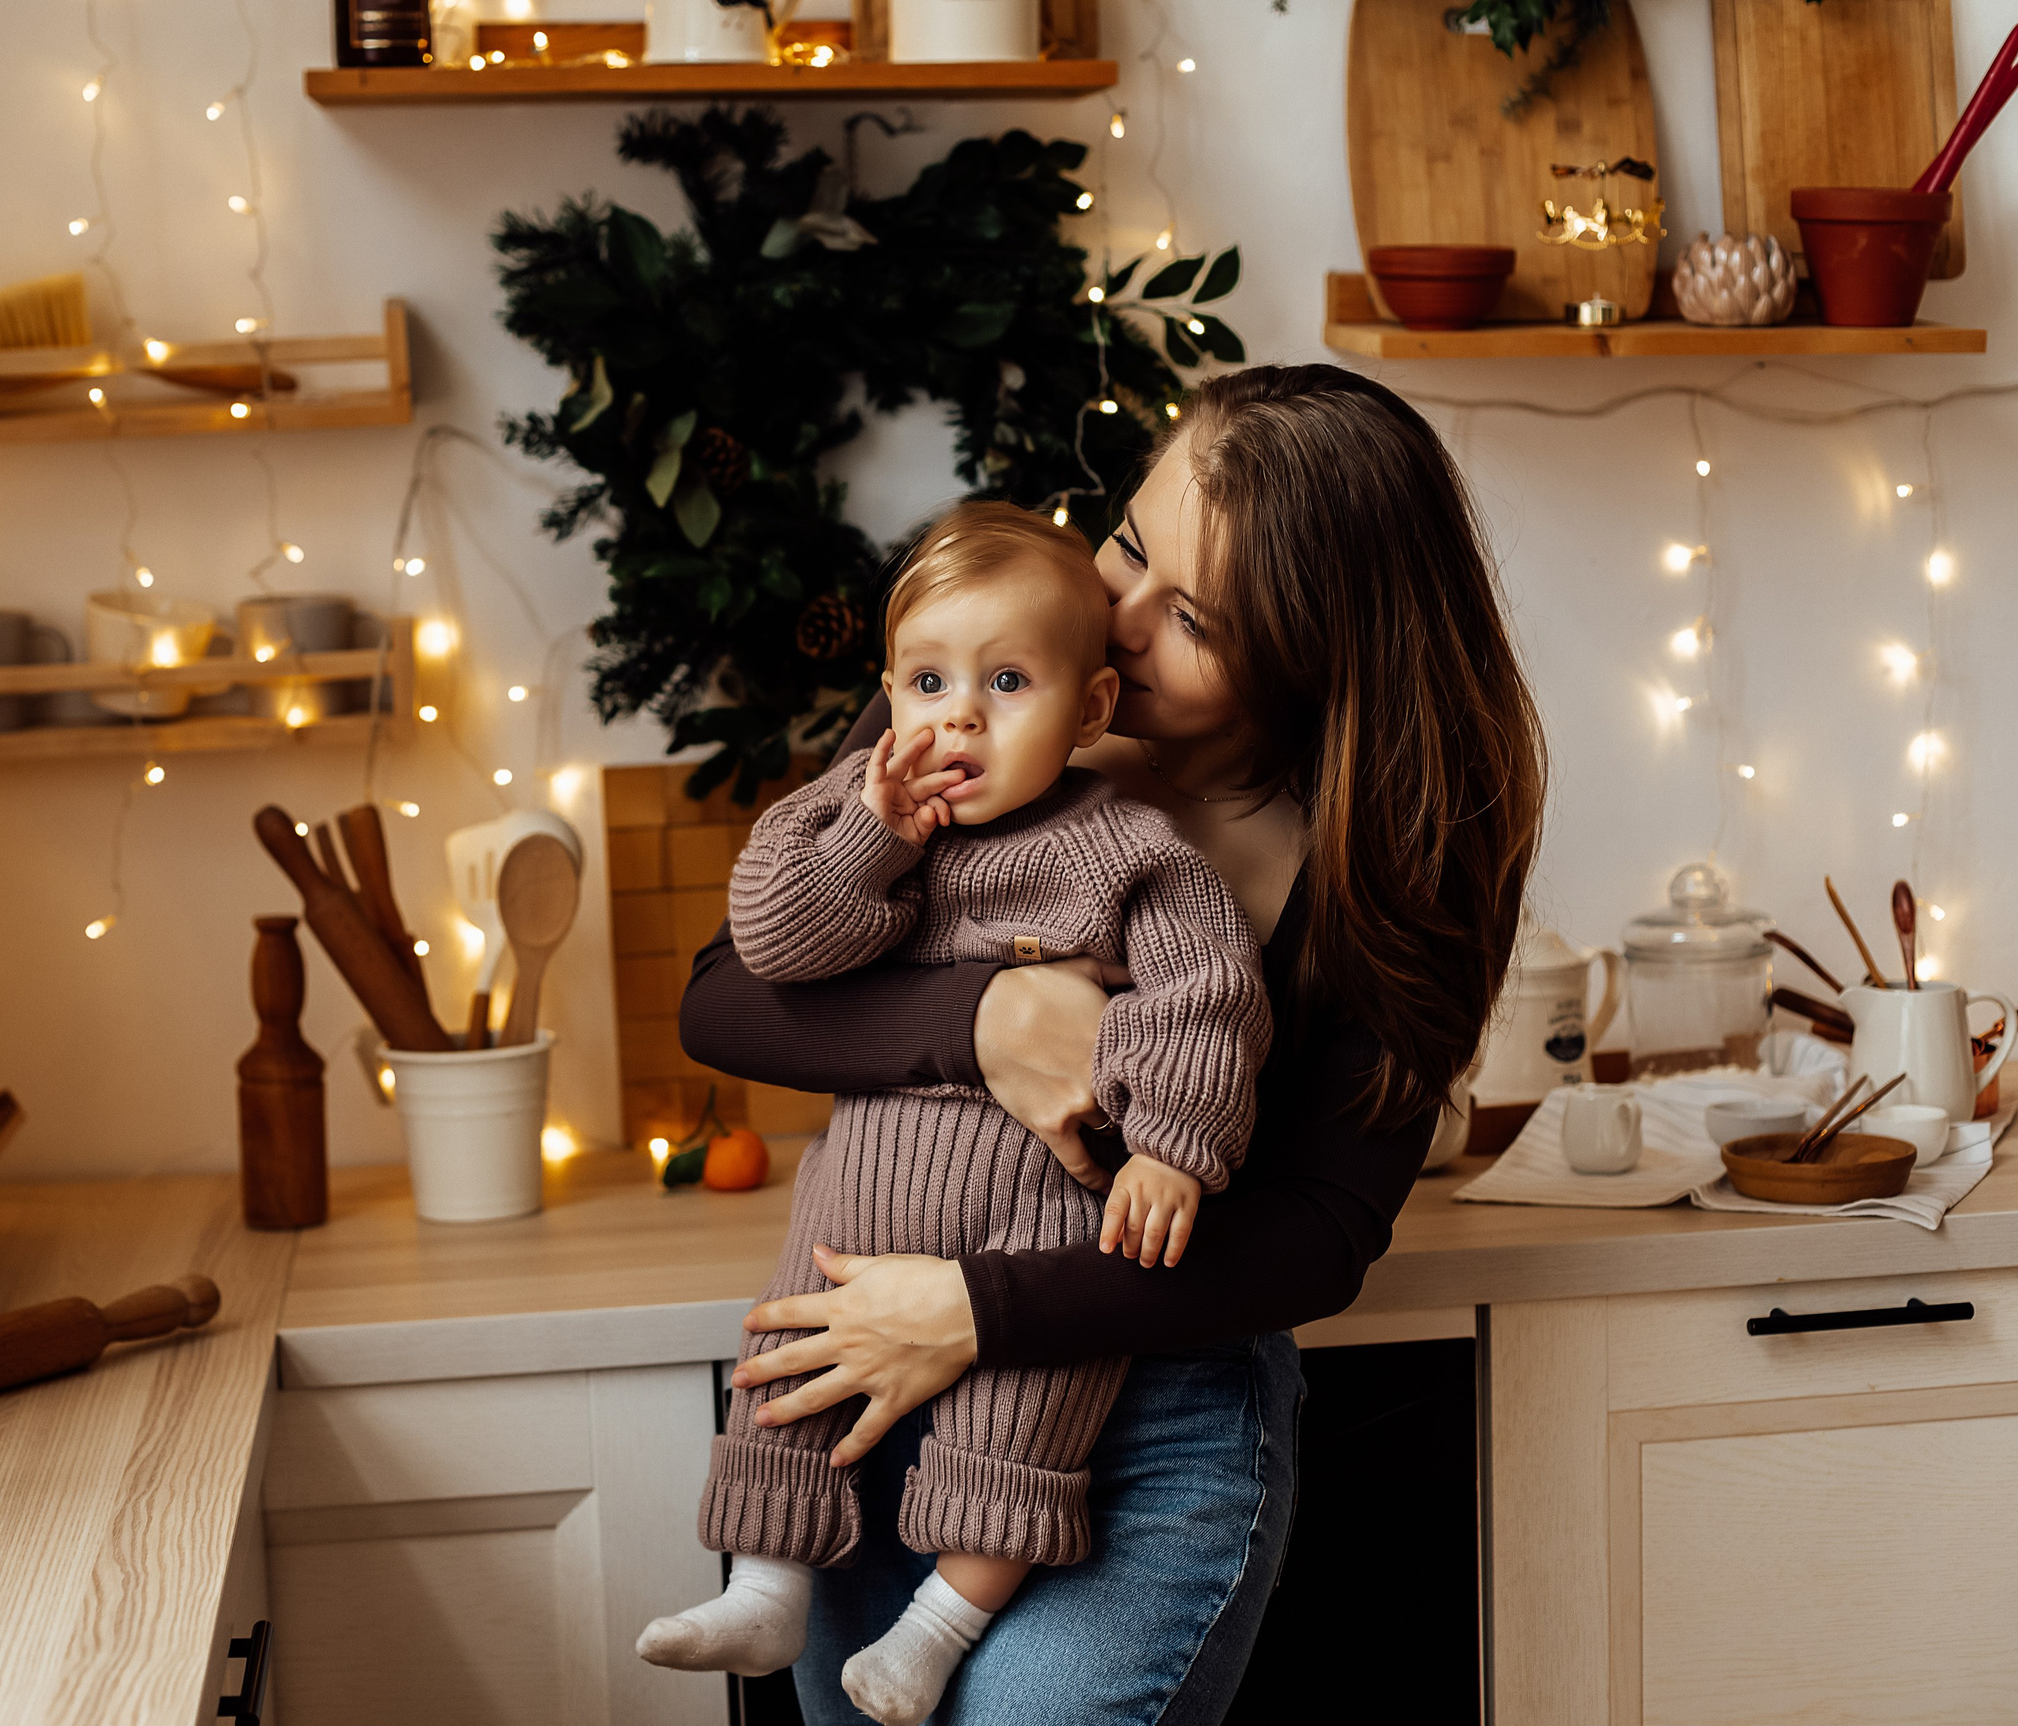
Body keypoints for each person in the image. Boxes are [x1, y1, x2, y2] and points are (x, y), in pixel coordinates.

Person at [678, 364, 1548, 1724]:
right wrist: (983, 1020)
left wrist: (974, 1309)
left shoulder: (1393, 849)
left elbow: (1320, 1231)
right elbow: (727, 993)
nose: (1120, 618)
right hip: (860, 1368)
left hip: (1143, 1400)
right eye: (1133, 542)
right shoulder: (993, 671)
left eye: (1194, 616)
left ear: (1319, 656)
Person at [639, 501, 1271, 1726]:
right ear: (889, 692)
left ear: (1088, 709)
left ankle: (933, 1632)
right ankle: (766, 1586)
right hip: (857, 1208)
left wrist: (1175, 1153)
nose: (958, 715)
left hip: (1031, 1237)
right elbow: (769, 947)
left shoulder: (1127, 850)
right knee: (787, 1371)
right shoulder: (875, 820)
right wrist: (869, 836)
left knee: (1021, 1436)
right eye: (927, 681)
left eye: (1007, 683)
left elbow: (1208, 999)